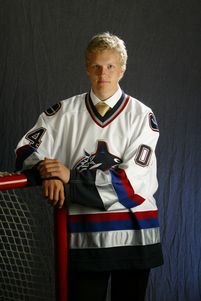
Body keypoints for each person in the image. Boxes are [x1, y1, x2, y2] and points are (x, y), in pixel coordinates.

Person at [15, 32, 163, 301]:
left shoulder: (142, 115)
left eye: (110, 66)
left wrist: (68, 177)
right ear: (86, 67)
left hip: (134, 236)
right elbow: (26, 149)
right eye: (96, 66)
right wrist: (46, 172)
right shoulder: (63, 112)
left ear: (122, 69)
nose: (103, 73)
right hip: (85, 237)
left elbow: (131, 186)